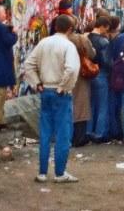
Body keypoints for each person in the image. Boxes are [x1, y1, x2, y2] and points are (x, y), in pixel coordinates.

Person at [24, 15, 81, 183]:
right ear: (70, 29)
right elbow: (71, 69)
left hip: (45, 89)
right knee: (63, 133)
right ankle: (60, 172)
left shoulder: (43, 43)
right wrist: (63, 86)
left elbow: (28, 65)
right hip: (60, 92)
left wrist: (37, 83)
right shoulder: (68, 46)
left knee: (45, 132)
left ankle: (42, 172)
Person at [87, 16, 112, 143]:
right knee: (102, 105)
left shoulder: (86, 38)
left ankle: (88, 130)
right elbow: (107, 61)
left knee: (91, 104)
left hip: (88, 73)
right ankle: (99, 133)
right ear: (104, 26)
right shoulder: (103, 42)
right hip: (101, 73)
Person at [69, 29, 96, 147]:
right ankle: (79, 137)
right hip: (81, 74)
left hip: (62, 75)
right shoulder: (81, 39)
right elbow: (92, 54)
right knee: (81, 106)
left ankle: (66, 136)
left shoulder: (56, 40)